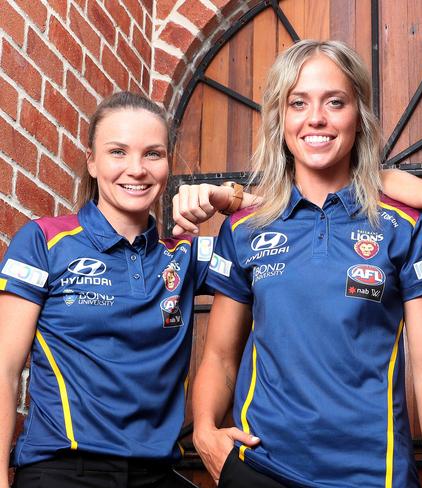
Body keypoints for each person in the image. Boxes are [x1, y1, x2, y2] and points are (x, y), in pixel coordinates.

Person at [191, 40, 422, 488]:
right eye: (299, 103)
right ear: (280, 120)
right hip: (261, 469)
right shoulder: (244, 230)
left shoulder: (403, 225)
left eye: (335, 102)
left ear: (359, 117)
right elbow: (219, 356)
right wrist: (204, 432)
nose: (316, 118)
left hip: (374, 475)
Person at [0, 92, 249, 488]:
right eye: (118, 152)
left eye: (153, 154)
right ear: (92, 162)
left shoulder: (183, 255)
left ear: (168, 165)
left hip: (157, 473)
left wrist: (229, 197)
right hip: (64, 469)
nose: (137, 169)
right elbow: (5, 366)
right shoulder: (43, 241)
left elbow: (289, 222)